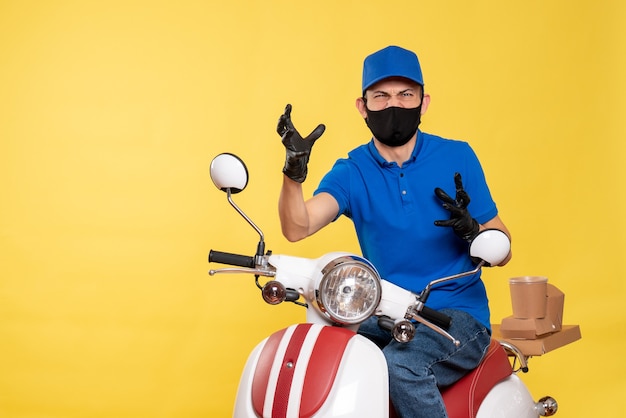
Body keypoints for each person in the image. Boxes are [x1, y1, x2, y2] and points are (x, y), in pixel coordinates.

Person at [276, 45, 511, 418]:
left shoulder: (457, 156)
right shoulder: (352, 170)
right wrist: (293, 173)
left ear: (424, 102)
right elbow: (297, 227)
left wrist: (474, 232)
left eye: (405, 95)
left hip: (456, 314)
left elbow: (504, 247)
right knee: (326, 356)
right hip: (385, 310)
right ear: (362, 105)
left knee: (401, 367)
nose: (394, 105)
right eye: (381, 96)